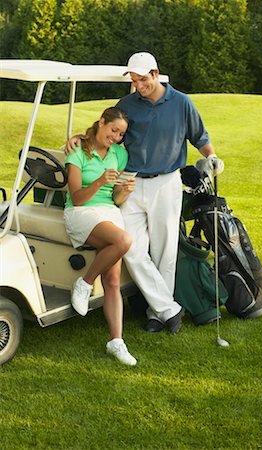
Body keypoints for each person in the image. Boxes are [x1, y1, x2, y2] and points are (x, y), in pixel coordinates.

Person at [65, 52, 224, 335]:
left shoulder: (181, 103)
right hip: (131, 182)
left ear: (155, 73)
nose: (139, 85)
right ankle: (168, 308)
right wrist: (77, 139)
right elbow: (106, 131)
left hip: (166, 182)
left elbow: (201, 138)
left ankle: (156, 313)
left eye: (142, 79)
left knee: (165, 251)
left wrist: (211, 157)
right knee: (132, 248)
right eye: (135, 80)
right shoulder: (127, 105)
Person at [64, 106, 137, 366]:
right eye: (113, 130)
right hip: (81, 212)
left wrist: (124, 191)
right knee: (123, 241)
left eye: (121, 134)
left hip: (108, 212)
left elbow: (115, 198)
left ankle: (116, 342)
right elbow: (77, 197)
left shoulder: (119, 153)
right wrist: (99, 181)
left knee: (114, 280)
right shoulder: (78, 151)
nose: (116, 137)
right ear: (102, 122)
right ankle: (84, 283)